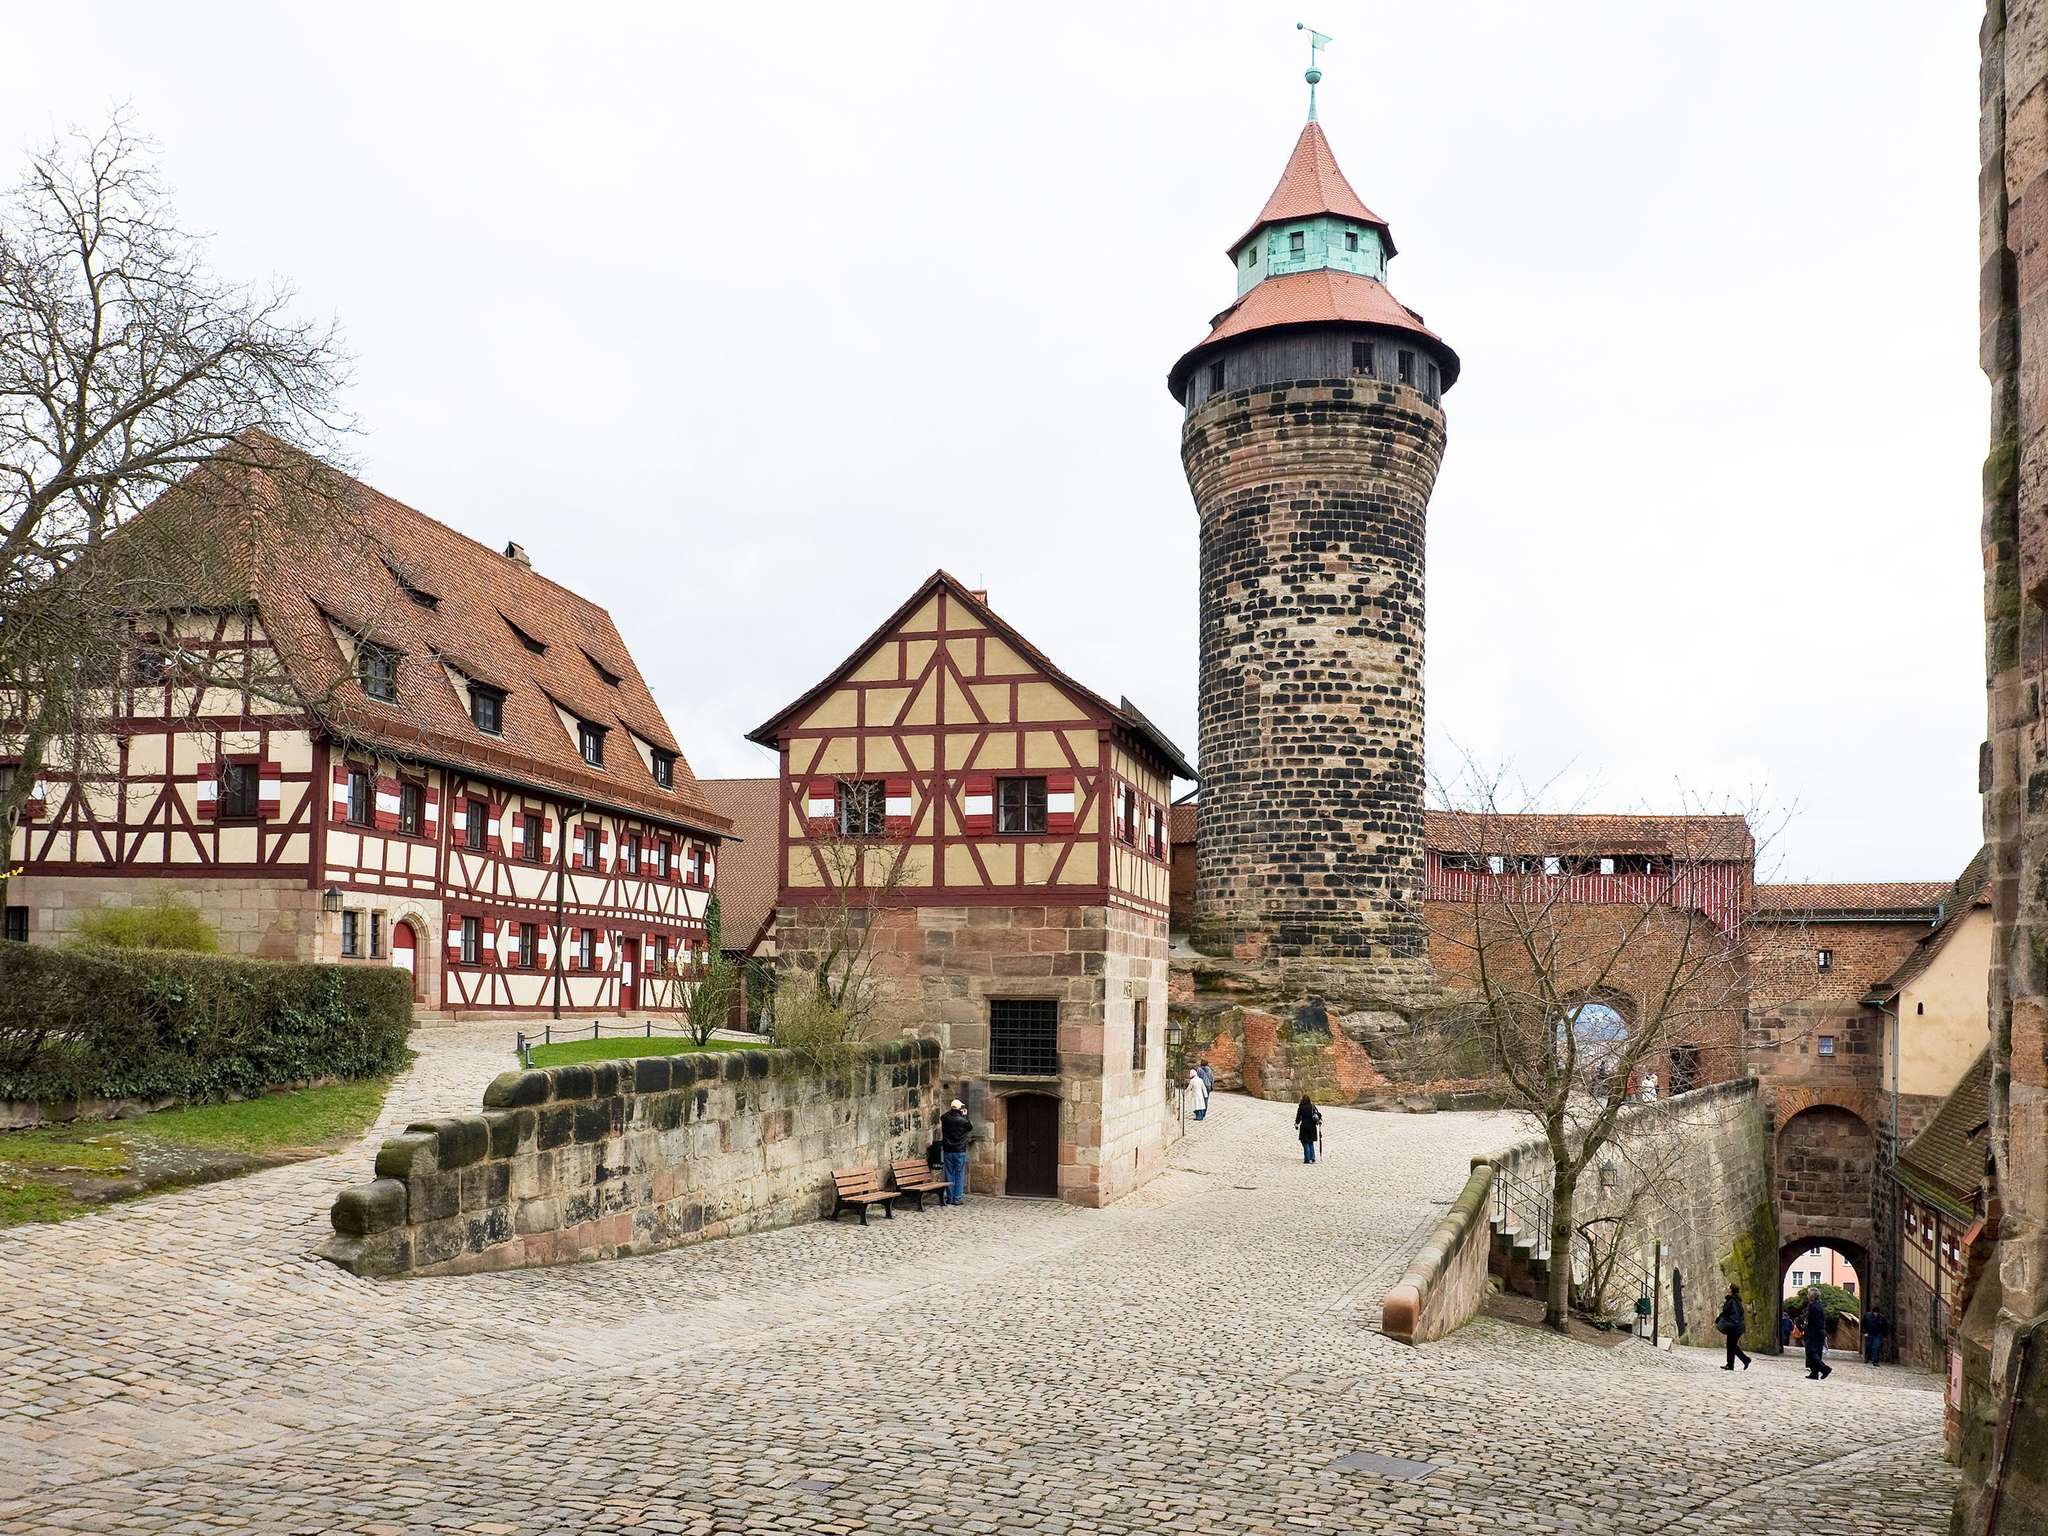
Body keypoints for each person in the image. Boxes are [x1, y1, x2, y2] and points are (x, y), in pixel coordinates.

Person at [938, 1099, 972, 1207]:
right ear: (960, 1109)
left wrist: (954, 1110)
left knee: (949, 1173)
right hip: (959, 1150)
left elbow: (944, 1116)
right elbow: (969, 1126)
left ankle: (949, 1197)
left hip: (948, 1150)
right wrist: (964, 1115)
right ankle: (957, 1198)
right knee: (959, 1174)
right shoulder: (963, 1121)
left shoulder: (945, 1118)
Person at [1716, 1285, 1751, 1371]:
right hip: (1736, 1326)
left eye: (1729, 1288)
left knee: (1731, 1345)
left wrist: (1731, 1324)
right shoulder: (1735, 1300)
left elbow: (1733, 1314)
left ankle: (1735, 1363)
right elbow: (1727, 1312)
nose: (1728, 1290)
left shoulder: (1733, 1301)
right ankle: (1738, 1362)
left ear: (1732, 1290)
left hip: (1735, 1327)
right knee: (1731, 1345)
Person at [1804, 1289, 1832, 1380]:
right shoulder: (1819, 1305)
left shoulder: (1813, 1306)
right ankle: (1814, 1373)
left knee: (1811, 1352)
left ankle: (1825, 1369)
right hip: (1820, 1332)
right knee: (1817, 1353)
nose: (1807, 1296)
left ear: (1812, 1296)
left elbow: (1814, 1321)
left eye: (1808, 1294)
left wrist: (1809, 1330)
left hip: (1814, 1332)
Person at [1295, 1095, 1323, 1164]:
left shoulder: (1301, 1107)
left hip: (1304, 1126)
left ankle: (1307, 1159)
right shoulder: (1312, 1106)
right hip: (1312, 1127)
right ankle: (1312, 1157)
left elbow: (1298, 1117)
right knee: (1310, 1142)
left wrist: (1296, 1124)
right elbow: (1318, 1114)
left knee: (1305, 1142)